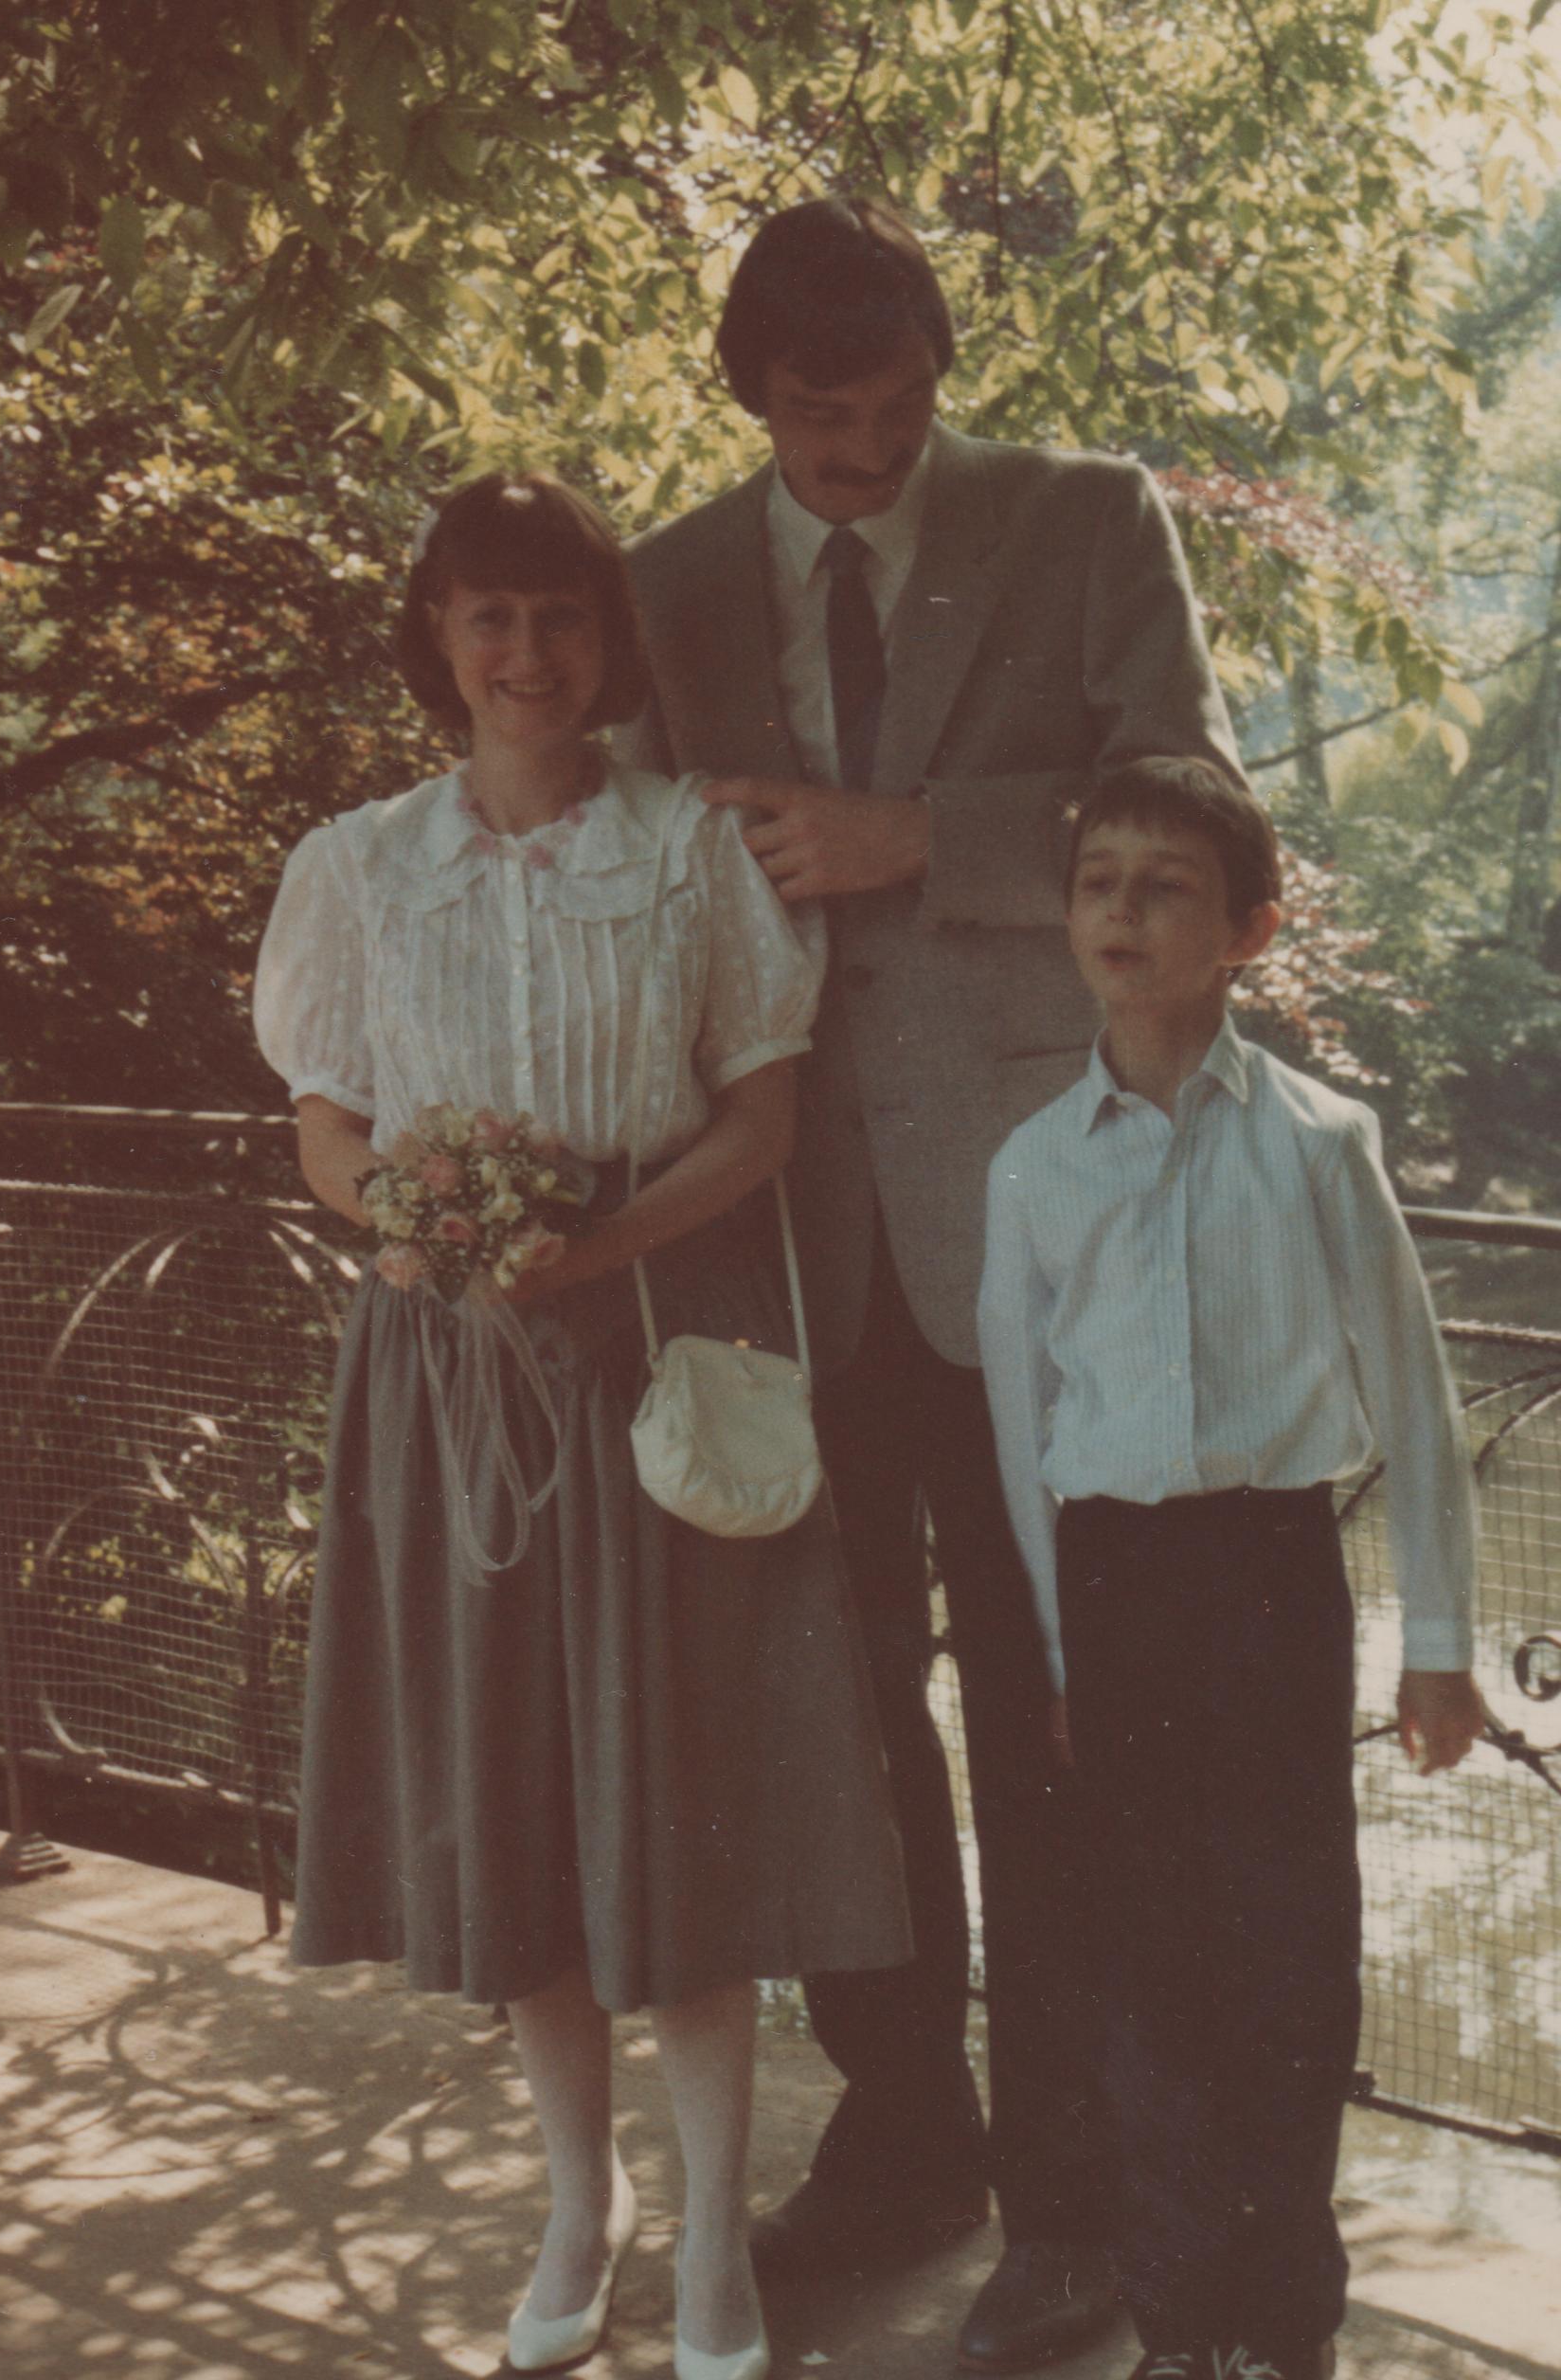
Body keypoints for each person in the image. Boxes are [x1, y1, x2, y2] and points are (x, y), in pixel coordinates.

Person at [617, 193, 1243, 2372]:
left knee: (1060, 1729)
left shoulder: (1083, 518)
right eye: (823, 414)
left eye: (898, 404)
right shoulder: (667, 583)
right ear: (750, 395)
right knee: (843, 1727)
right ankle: (904, 2138)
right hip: (786, 1253)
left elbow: (1191, 802)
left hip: (1049, 1240)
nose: (868, 447)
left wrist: (926, 841)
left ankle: (1078, 2199)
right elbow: (608, 868)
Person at [252, 470, 912, 2380]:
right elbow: (326, 1122)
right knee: (518, 1786)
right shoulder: (359, 864)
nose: (526, 653)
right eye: (490, 616)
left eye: (559, 616)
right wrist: (421, 1229)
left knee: (671, 1793)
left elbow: (763, 1121)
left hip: (656, 1347)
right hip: (450, 1369)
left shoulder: (692, 848)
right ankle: (576, 2196)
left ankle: (713, 2235)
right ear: (438, 637)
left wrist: (591, 1250)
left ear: (609, 638)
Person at [977, 757, 1483, 2380]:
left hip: (1271, 1576)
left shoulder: (1322, 1145)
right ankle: (1184, 2326)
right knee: (1146, 1970)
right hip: (1111, 1586)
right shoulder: (1033, 1165)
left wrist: (1440, 1641)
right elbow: (1022, 1434)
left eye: (1166, 885)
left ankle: (1286, 2327)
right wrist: (1057, 1660)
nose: (1122, 911)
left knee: (1289, 1956)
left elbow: (1417, 1398)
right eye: (1098, 882)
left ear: (1248, 932)